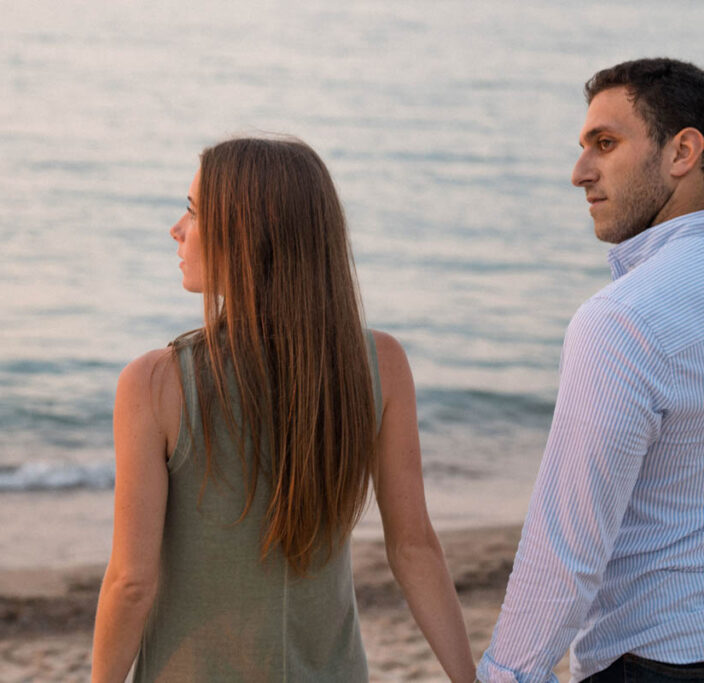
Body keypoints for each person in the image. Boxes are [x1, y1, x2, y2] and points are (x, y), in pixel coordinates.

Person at [91, 137, 475, 682]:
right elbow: (414, 548)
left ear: (247, 234)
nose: (176, 228)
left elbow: (132, 582)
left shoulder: (155, 383)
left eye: (195, 210)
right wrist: (468, 677)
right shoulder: (380, 364)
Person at [478, 58, 704, 682]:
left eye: (605, 144)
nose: (579, 173)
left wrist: (505, 675)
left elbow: (565, 551)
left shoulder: (625, 320)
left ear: (682, 150)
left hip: (652, 660)